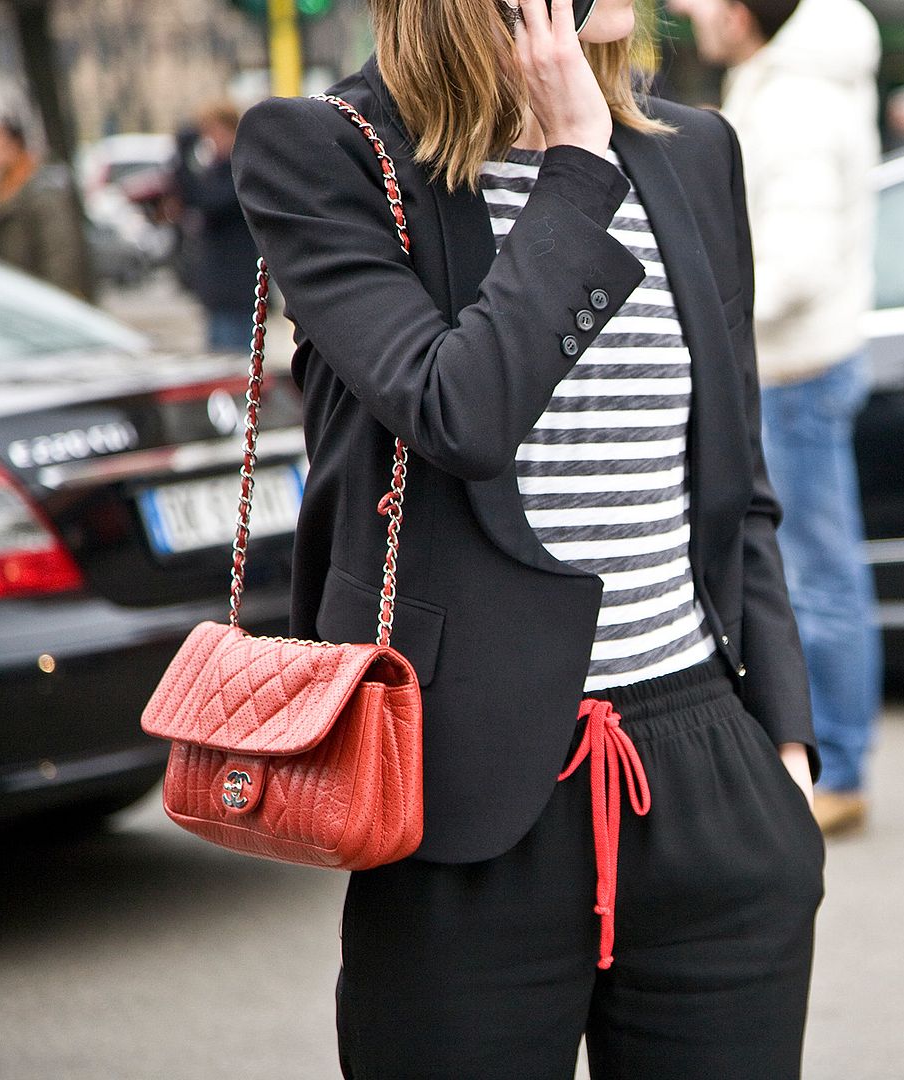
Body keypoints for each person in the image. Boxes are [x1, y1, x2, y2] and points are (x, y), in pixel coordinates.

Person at [230, 0, 823, 1075]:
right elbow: (461, 411)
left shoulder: (695, 155)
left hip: (706, 779)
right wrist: (576, 166)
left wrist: (782, 743)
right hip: (462, 799)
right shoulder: (328, 152)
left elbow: (740, 482)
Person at [669, 0, 883, 836]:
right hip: (801, 364)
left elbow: (794, 261)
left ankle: (840, 765)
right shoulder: (786, 81)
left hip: (796, 369)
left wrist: (706, 310)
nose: (689, 12)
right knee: (816, 571)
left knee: (817, 577)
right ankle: (833, 757)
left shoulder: (794, 100)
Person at [173, 100, 260, 351]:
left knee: (232, 368)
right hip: (219, 291)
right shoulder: (217, 169)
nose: (210, 141)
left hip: (236, 290)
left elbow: (209, 202)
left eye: (214, 133)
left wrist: (183, 157)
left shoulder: (241, 168)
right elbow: (190, 198)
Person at [0, 118, 93, 299]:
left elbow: (61, 254)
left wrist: (56, 300)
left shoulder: (42, 189)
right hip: (19, 292)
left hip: (41, 295)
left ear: (14, 145)